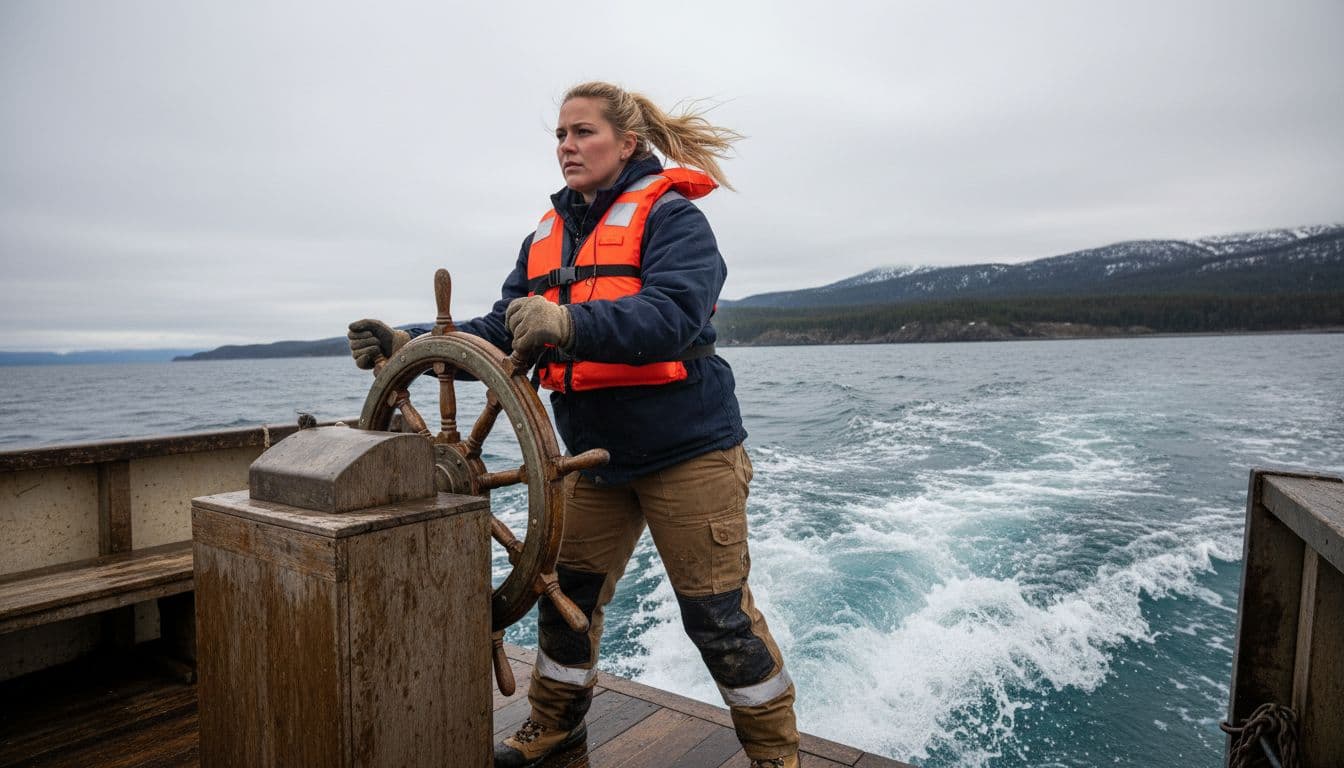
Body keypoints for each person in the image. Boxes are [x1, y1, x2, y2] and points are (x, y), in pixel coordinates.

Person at [347, 81, 800, 768]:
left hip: (689, 450)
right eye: (560, 135)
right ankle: (556, 724)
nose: (567, 146)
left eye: (583, 132)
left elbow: (673, 315)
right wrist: (405, 342)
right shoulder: (543, 236)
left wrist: (570, 322)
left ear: (628, 143)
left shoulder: (673, 218)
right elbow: (498, 335)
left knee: (717, 617)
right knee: (563, 598)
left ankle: (775, 754)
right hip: (591, 457)